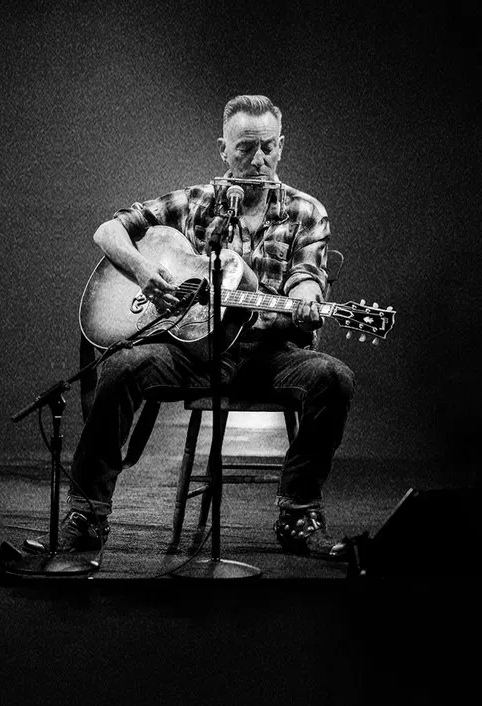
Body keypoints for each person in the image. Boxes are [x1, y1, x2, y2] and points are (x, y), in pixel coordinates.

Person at [30, 94, 354, 560]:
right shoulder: (195, 202)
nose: (257, 160)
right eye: (245, 148)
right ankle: (87, 515)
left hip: (268, 355)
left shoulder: (307, 212)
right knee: (120, 366)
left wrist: (306, 302)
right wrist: (144, 271)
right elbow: (108, 232)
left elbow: (306, 277)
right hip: (192, 354)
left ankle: (298, 514)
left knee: (334, 378)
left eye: (267, 147)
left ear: (281, 147)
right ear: (223, 149)